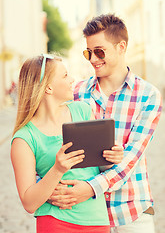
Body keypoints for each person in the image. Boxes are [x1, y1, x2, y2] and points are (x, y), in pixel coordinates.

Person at [48, 14, 162, 233]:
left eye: (99, 51)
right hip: (84, 214)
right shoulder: (76, 92)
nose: (92, 59)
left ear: (121, 47)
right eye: (88, 52)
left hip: (130, 212)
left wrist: (90, 188)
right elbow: (50, 139)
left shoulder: (148, 96)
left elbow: (130, 158)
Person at [10, 53, 124, 233]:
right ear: (48, 87)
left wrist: (111, 157)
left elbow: (98, 166)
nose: (72, 80)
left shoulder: (83, 111)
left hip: (96, 219)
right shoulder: (24, 139)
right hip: (55, 222)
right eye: (64, 75)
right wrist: (57, 169)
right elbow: (29, 203)